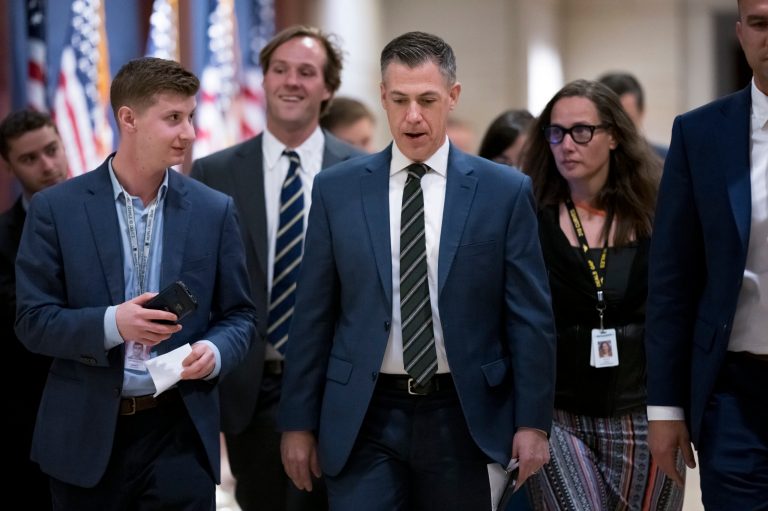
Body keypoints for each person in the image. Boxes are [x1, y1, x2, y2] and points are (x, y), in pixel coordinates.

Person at [277, 31, 556, 511]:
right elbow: (312, 316)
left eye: (427, 100)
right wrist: (297, 423)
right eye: (400, 99)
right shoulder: (336, 189)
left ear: (453, 96)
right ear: (383, 97)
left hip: (463, 412)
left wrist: (533, 423)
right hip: (365, 414)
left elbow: (530, 319)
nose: (412, 116)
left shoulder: (504, 191)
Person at [14, 57, 256, 510]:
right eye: (173, 118)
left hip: (179, 432)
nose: (189, 132)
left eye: (190, 116)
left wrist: (216, 350)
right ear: (129, 119)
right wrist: (113, 324)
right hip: (86, 438)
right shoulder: (56, 209)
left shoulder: (214, 209)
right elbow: (33, 321)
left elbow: (240, 315)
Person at [191, 25, 362, 511]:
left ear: (328, 88)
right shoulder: (213, 173)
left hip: (337, 386)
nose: (291, 81)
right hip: (251, 389)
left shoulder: (363, 172)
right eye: (280, 70)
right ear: (263, 80)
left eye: (306, 72)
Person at [521, 79, 683, 510]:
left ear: (613, 136)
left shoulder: (657, 212)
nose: (566, 145)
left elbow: (677, 314)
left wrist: (675, 411)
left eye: (581, 131)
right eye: (556, 132)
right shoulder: (530, 216)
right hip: (558, 417)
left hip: (643, 416)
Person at [645, 0, 768, 508]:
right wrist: (665, 409)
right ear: (740, 32)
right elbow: (672, 279)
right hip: (734, 390)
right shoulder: (699, 133)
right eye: (760, 23)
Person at [0, 109, 69, 510]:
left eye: (51, 150)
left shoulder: (115, 214)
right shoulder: (1, 240)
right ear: (9, 167)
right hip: (30, 412)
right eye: (29, 158)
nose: (47, 166)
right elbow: (26, 320)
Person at [597, 71, 668, 159]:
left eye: (626, 120)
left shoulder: (666, 160)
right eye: (610, 120)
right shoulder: (584, 161)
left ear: (641, 112)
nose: (618, 128)